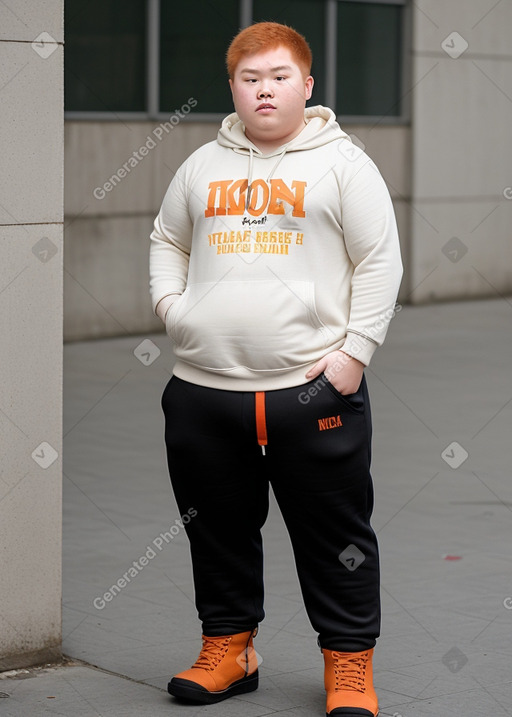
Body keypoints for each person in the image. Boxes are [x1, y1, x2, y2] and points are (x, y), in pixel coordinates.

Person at [149, 21, 402, 717]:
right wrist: (175, 308)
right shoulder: (201, 165)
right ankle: (229, 648)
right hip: (204, 392)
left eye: (279, 77)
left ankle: (349, 665)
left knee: (338, 535)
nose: (264, 90)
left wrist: (354, 354)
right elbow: (167, 237)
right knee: (217, 527)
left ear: (307, 85)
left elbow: (381, 261)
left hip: (312, 392)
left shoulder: (344, 163)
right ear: (233, 87)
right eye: (250, 78)